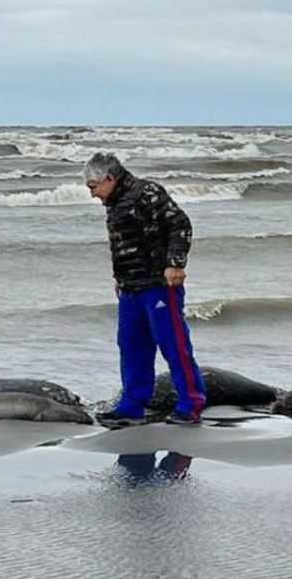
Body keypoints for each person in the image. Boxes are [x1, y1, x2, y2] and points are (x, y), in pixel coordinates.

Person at [85, 152, 206, 427]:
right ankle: (131, 405)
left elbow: (180, 224)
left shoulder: (147, 191)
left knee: (173, 345)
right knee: (131, 347)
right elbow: (124, 245)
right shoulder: (113, 203)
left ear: (109, 178)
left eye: (93, 187)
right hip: (130, 288)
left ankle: (191, 403)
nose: (92, 194)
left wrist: (175, 264)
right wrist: (120, 277)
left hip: (160, 285)